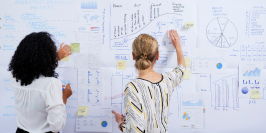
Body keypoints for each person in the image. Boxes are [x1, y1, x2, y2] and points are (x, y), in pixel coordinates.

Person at [113, 30, 186, 133]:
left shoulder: (132, 87)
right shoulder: (168, 80)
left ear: (133, 56)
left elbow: (135, 131)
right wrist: (178, 46)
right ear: (157, 56)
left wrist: (120, 123)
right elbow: (181, 69)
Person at [8, 32, 73, 133]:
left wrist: (55, 58)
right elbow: (56, 127)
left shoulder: (15, 76)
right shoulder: (51, 84)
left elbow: (34, 69)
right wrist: (64, 97)